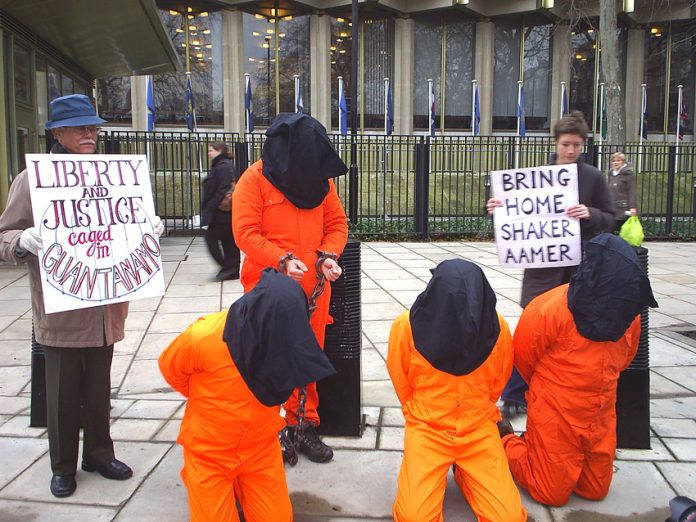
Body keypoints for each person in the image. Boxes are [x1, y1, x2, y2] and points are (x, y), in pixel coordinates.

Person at [0, 94, 164, 498]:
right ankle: (62, 465)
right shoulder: (32, 179)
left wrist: (148, 229)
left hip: (106, 308)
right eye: (79, 127)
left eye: (93, 127)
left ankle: (98, 453)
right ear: (57, 132)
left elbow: (123, 225)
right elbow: (3, 236)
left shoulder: (114, 175)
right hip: (62, 311)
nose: (90, 134)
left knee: (98, 390)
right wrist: (21, 239)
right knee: (62, 392)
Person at [159, 269, 335, 522]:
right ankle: (200, 480)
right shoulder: (203, 336)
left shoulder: (285, 342)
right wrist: (204, 400)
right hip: (210, 452)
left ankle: (238, 486)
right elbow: (171, 369)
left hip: (260, 449)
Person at [497, 233, 657, 507]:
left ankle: (540, 449)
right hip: (556, 411)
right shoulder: (550, 308)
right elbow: (524, 356)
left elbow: (625, 358)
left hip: (600, 413)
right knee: (550, 494)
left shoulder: (627, 315)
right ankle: (507, 440)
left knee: (595, 489)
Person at [232, 112, 348, 464]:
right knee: (269, 359)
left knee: (308, 355)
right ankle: (268, 430)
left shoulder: (321, 183)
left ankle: (304, 424)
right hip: (268, 290)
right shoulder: (254, 180)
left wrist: (328, 255)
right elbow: (245, 233)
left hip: (314, 290)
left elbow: (337, 224)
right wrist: (280, 260)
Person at [486, 110, 615, 418]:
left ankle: (564, 392)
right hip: (542, 271)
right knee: (531, 334)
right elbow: (517, 213)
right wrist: (495, 207)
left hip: (579, 271)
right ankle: (515, 395)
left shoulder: (593, 177)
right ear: (556, 143)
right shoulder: (537, 176)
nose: (571, 150)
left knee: (574, 336)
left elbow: (611, 219)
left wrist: (590, 214)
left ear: (583, 145)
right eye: (566, 144)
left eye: (577, 145)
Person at [387, 259, 527, 522]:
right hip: (428, 428)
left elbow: (499, 378)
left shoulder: (496, 328)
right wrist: (419, 413)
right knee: (413, 517)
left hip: (478, 428)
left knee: (508, 518)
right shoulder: (406, 326)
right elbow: (400, 376)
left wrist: (477, 411)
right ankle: (452, 468)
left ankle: (465, 471)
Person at [201, 141, 240, 281]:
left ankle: (228, 267)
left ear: (219, 151)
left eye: (211, 150)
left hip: (221, 211)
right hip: (225, 211)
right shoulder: (223, 165)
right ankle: (231, 269)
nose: (209, 153)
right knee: (228, 240)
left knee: (211, 238)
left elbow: (223, 187)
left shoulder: (222, 166)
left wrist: (212, 205)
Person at [607, 151, 638, 232]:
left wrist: (632, 207)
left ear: (623, 162)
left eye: (618, 160)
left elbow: (631, 191)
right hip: (612, 208)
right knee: (608, 230)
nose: (615, 163)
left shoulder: (628, 174)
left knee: (624, 232)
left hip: (623, 209)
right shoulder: (611, 173)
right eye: (614, 161)